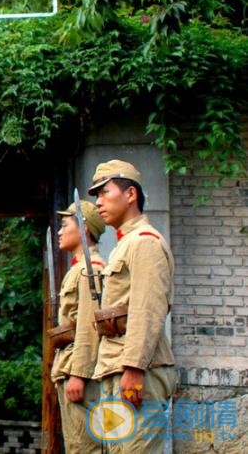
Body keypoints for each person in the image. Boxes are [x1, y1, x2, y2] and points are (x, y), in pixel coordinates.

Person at [89, 160, 175, 453]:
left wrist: (134, 367)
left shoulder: (145, 242)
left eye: (104, 192)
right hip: (117, 366)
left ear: (130, 195)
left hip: (137, 371)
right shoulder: (125, 244)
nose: (98, 202)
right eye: (96, 196)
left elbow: (147, 308)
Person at [50, 200, 105, 453]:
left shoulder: (90, 269)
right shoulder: (80, 268)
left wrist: (79, 375)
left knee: (84, 446)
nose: (60, 232)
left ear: (84, 228)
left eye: (65, 225)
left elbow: (88, 325)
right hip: (70, 364)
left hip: (79, 370)